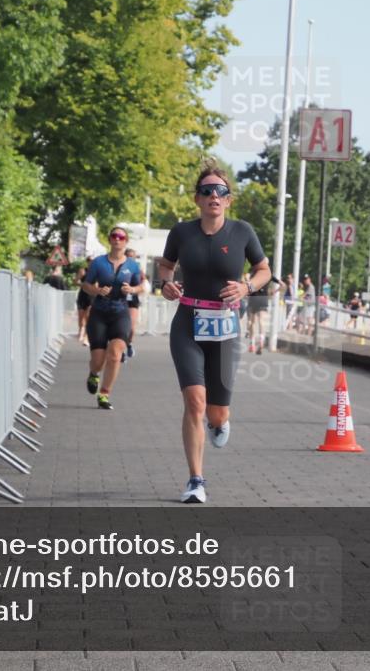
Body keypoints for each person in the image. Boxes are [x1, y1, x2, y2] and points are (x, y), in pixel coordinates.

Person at [159, 162, 270, 504]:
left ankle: (219, 423)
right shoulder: (181, 232)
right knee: (195, 401)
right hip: (188, 323)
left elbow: (264, 269)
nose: (213, 196)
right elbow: (166, 265)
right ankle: (196, 480)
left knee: (216, 412)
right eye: (206, 191)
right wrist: (166, 284)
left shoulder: (242, 231)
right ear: (197, 199)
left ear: (229, 199)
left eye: (220, 191)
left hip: (224, 326)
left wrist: (248, 286)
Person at [81, 228, 142, 410]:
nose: (117, 239)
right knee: (98, 361)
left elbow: (140, 286)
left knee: (115, 355)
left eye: (121, 237)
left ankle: (105, 394)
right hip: (99, 313)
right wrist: (98, 291)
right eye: (114, 236)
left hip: (120, 312)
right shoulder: (99, 262)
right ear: (109, 240)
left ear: (126, 241)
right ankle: (93, 373)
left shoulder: (133, 265)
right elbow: (85, 285)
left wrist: (132, 290)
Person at [123, 247, 146, 360]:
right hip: (119, 299)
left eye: (133, 257)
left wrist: (133, 289)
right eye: (128, 256)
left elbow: (143, 288)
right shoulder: (118, 267)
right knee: (120, 327)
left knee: (131, 328)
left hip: (132, 299)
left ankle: (129, 344)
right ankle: (120, 349)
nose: (130, 259)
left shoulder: (138, 270)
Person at [246, 278, 274, 354]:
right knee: (261, 321)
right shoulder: (268, 276)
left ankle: (252, 344)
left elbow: (249, 287)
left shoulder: (254, 276)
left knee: (252, 322)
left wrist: (248, 280)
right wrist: (274, 292)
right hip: (263, 300)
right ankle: (261, 340)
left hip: (254, 299)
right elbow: (282, 285)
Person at [75, 265, 91, 344]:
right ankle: (81, 329)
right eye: (89, 260)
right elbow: (75, 282)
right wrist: (83, 285)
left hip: (92, 297)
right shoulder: (83, 270)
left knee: (88, 316)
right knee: (81, 316)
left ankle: (86, 336)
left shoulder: (98, 270)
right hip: (83, 296)